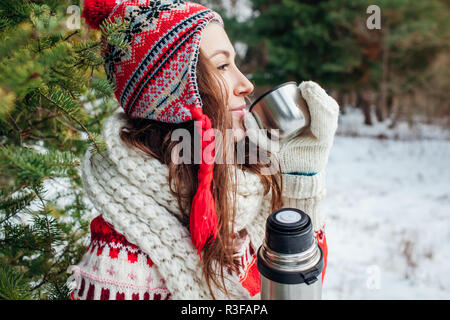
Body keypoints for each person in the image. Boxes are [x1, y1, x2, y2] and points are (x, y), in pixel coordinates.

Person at [67, 0, 339, 300]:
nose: (246, 84)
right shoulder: (120, 266)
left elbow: (300, 290)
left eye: (234, 63)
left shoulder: (245, 190)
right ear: (173, 94)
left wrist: (301, 179)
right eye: (223, 65)